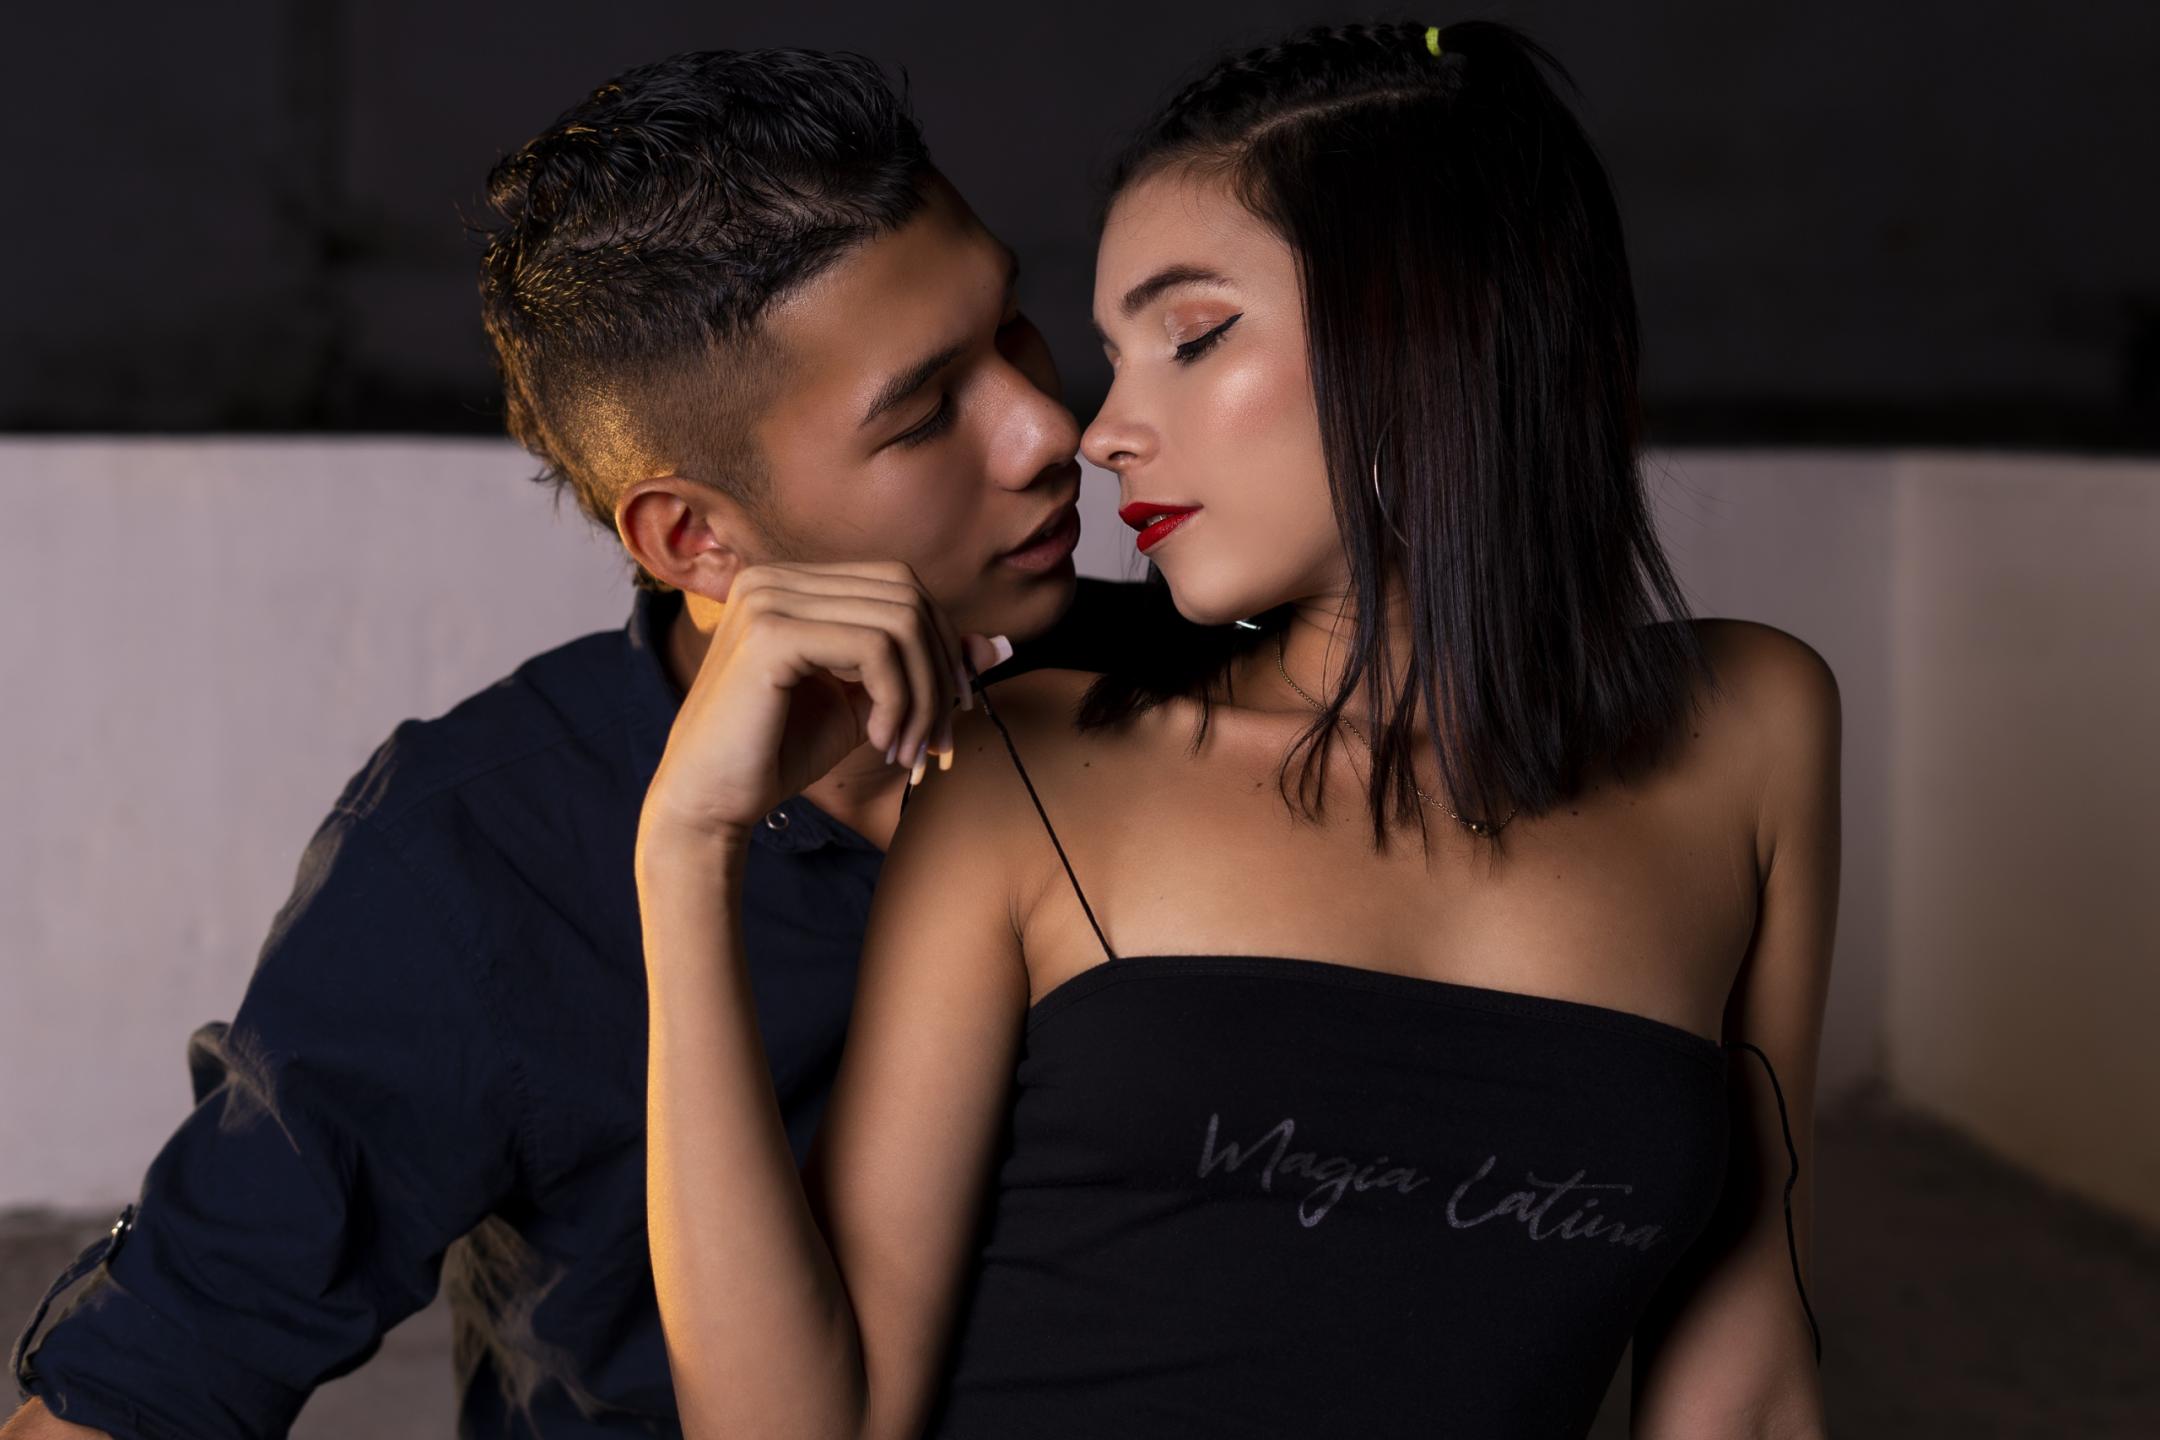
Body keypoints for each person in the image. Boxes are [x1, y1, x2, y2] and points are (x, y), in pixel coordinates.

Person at [636, 18, 1837, 1440]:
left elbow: (1745, 1359)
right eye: (1112, 355)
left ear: (1430, 327)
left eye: (1192, 337)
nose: (1102, 431)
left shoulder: (1752, 731)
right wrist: (684, 847)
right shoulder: (1033, 772)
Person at [5, 49, 1160, 1440]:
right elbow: (144, 1382)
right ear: (694, 537)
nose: (1052, 428)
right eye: (924, 417)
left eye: (1014, 328)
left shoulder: (1206, 697)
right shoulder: (476, 856)